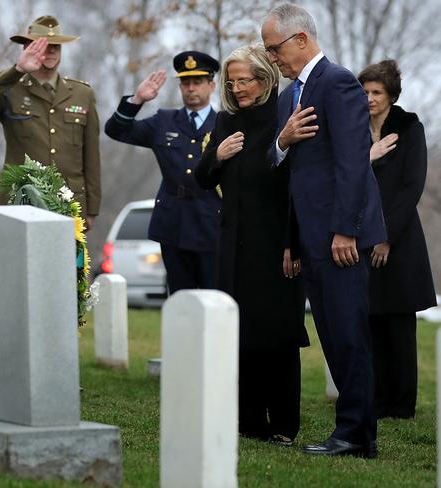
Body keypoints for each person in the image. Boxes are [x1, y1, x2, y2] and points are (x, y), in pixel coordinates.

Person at [261, 3, 386, 457]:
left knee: (349, 335)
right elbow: (289, 172)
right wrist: (282, 140)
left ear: (300, 39)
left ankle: (356, 435)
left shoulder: (337, 82)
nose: (271, 57)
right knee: (333, 335)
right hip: (310, 238)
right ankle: (349, 430)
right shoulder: (287, 98)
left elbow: (353, 162)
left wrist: (346, 231)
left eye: (273, 48)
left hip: (341, 238)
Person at [196, 43, 308, 446]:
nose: (238, 88)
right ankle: (248, 421)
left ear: (264, 78)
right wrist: (218, 156)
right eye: (232, 81)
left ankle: (283, 424)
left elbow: (291, 186)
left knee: (276, 335)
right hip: (234, 245)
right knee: (240, 334)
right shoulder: (227, 121)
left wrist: (292, 245)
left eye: (245, 80)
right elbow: (202, 178)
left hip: (277, 244)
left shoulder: (284, 116)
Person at [104, 51, 221, 294]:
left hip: (212, 220)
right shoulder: (165, 121)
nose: (190, 88)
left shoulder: (224, 123)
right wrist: (137, 99)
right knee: (179, 295)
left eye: (197, 82)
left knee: (215, 295)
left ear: (212, 84)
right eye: (185, 82)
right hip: (174, 222)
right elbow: (116, 131)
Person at [358, 59, 436, 419]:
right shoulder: (354, 127)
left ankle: (402, 404)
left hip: (399, 239)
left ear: (391, 96)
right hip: (360, 237)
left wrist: (385, 237)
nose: (369, 98)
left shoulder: (408, 126)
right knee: (371, 321)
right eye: (365, 91)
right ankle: (376, 398)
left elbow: (411, 187)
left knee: (399, 326)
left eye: (376, 92)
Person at [0, 15, 100, 229]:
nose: (50, 51)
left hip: (68, 202)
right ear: (26, 49)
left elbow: (91, 155)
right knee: (16, 262)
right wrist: (18, 70)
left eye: (56, 46)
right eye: (43, 45)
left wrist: (92, 207)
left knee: (66, 262)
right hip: (19, 201)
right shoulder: (11, 89)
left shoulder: (81, 93)